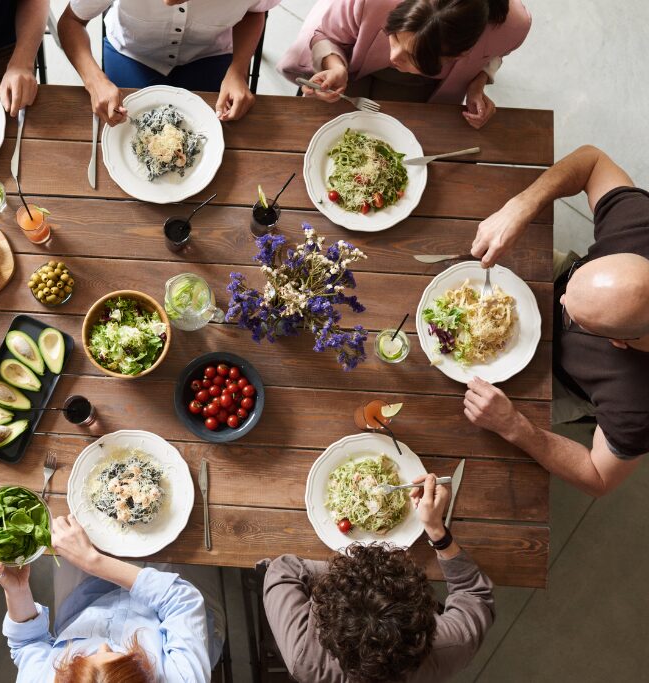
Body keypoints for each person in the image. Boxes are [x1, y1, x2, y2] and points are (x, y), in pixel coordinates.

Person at [466, 145, 649, 496]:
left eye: (571, 312)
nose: (559, 298)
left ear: (618, 342)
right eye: (571, 291)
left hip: (563, 379)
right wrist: (521, 206)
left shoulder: (635, 409)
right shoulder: (640, 226)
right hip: (565, 272)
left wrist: (515, 426)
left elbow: (598, 477)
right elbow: (593, 161)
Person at [262, 474, 494, 682]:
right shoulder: (453, 645)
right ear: (425, 617)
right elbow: (473, 594)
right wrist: (436, 531)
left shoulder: (303, 655)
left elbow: (282, 570)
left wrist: (344, 578)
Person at [0, 513, 225, 680]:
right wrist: (92, 561)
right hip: (173, 613)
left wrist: (17, 591)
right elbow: (181, 600)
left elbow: (27, 643)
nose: (104, 645)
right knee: (192, 526)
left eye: (82, 659)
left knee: (68, 522)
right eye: (119, 656)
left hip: (85, 603)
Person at [277, 0, 531, 128]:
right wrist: (334, 66)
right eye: (395, 36)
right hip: (353, 54)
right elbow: (328, 34)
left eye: (411, 57)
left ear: (460, 53)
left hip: (426, 87)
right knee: (319, 124)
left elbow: (494, 55)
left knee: (412, 133)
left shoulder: (512, 27)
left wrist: (478, 83)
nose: (393, 57)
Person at [58, 0, 281, 124]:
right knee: (121, 133)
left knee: (222, 138)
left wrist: (238, 69)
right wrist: (95, 81)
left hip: (210, 55)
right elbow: (72, 21)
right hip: (131, 53)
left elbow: (254, 12)